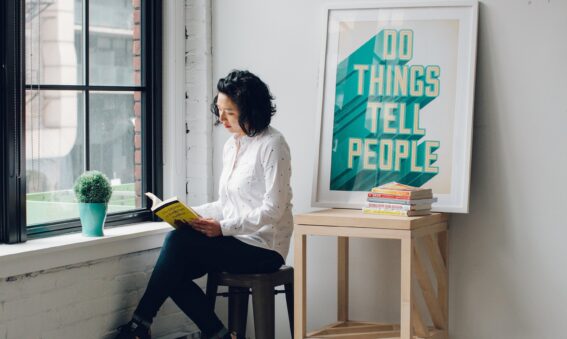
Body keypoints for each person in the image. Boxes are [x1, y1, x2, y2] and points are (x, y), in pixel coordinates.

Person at [114, 70, 293, 339]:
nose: (220, 119)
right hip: (235, 239)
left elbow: (273, 210)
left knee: (176, 245)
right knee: (172, 270)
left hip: (264, 247)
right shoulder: (232, 146)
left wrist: (221, 228)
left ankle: (139, 327)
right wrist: (192, 214)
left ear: (251, 110)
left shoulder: (273, 144)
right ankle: (215, 333)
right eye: (219, 110)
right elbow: (228, 203)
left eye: (229, 112)